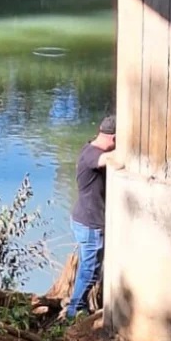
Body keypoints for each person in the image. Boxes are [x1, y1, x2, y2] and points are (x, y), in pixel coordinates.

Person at [66, 115, 118, 319]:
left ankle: (80, 307)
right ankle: (74, 310)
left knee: (89, 267)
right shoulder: (93, 156)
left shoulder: (89, 146)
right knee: (90, 270)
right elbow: (108, 160)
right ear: (113, 139)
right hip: (89, 224)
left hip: (84, 219)